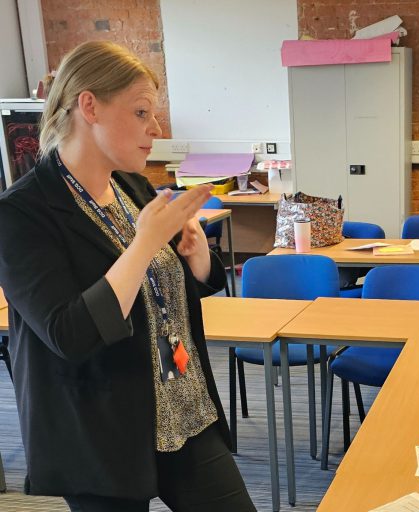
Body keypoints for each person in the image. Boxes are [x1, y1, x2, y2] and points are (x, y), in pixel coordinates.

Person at [0, 41, 257, 511]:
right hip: (99, 430)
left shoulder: (131, 186)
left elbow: (167, 290)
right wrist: (143, 245)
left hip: (183, 407)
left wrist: (196, 259)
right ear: (89, 106)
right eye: (141, 113)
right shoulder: (21, 214)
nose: (156, 130)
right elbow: (69, 333)